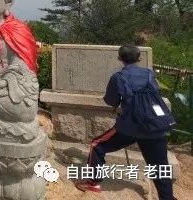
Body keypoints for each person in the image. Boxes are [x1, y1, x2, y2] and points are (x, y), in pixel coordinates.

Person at [75, 45, 176, 200]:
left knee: (97, 145)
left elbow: (110, 100)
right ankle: (166, 197)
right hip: (154, 126)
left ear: (120, 58)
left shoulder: (118, 77)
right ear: (139, 58)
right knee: (160, 165)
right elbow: (155, 93)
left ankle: (93, 183)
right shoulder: (149, 74)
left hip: (130, 126)